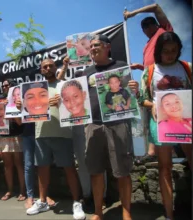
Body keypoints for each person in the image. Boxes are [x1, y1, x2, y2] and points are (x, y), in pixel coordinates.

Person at [74, 34, 139, 220]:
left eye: (97, 45)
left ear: (108, 46)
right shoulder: (86, 72)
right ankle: (98, 212)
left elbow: (130, 95)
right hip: (93, 125)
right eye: (91, 46)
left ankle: (127, 213)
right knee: (95, 171)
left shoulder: (121, 66)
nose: (93, 48)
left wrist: (134, 88)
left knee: (122, 171)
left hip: (118, 124)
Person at [23, 58, 85, 220]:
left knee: (69, 168)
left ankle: (76, 202)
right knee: (42, 169)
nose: (48, 68)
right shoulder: (35, 89)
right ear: (41, 70)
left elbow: (75, 107)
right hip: (41, 134)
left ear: (55, 68)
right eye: (45, 67)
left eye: (51, 65)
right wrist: (20, 106)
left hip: (63, 134)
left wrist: (61, 104)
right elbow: (28, 110)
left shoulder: (64, 85)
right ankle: (42, 201)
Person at [139, 32, 192, 220]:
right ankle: (169, 214)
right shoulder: (150, 71)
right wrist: (152, 104)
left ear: (179, 50)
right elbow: (142, 99)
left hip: (187, 122)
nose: (169, 54)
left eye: (173, 50)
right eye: (165, 51)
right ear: (158, 51)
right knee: (165, 167)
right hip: (160, 122)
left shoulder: (187, 67)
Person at [124, 3, 173, 163]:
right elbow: (151, 63)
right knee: (151, 113)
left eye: (146, 27)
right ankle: (151, 152)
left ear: (153, 25)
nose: (145, 31)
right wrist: (141, 67)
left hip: (166, 79)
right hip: (150, 81)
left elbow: (156, 6)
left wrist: (132, 13)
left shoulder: (163, 31)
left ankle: (180, 151)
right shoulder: (147, 44)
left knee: (171, 114)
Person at [0, 79, 26, 203]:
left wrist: (11, 107)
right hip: (2, 136)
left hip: (17, 135)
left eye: (8, 85)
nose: (5, 87)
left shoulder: (18, 100)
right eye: (4, 85)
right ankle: (10, 190)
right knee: (7, 166)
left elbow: (19, 122)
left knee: (19, 164)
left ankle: (23, 191)